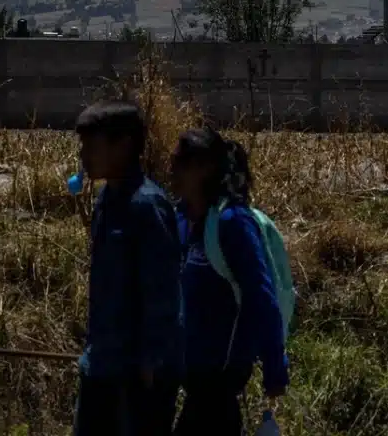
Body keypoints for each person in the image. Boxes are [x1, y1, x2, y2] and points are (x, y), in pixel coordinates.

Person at [170, 127, 290, 436]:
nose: (172, 170)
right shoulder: (184, 220)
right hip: (193, 377)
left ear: (204, 169)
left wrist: (274, 366)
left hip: (219, 378)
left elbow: (261, 295)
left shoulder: (232, 223)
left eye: (180, 163)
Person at [73, 101, 183, 436]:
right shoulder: (106, 201)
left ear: (123, 146)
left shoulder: (147, 206)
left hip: (136, 373)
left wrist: (152, 359)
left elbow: (163, 289)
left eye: (92, 146)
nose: (84, 156)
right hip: (101, 362)